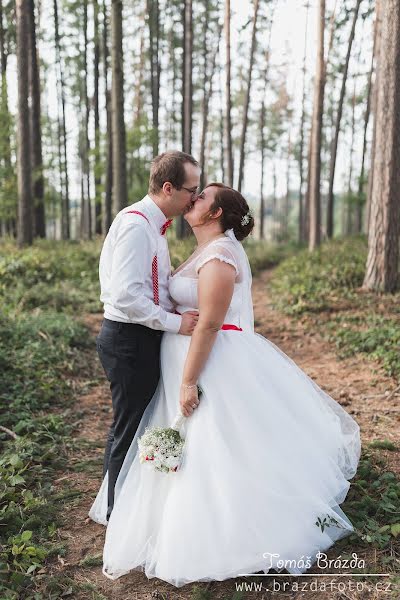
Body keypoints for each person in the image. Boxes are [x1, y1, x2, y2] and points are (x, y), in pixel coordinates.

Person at [89, 183, 361, 587]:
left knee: (218, 444)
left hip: (212, 365)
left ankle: (227, 532)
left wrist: (188, 380)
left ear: (215, 214)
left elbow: (212, 324)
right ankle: (166, 519)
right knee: (188, 444)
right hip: (186, 360)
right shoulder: (202, 250)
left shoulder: (220, 255)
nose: (192, 200)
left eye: (201, 198)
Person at [96, 151, 201, 521]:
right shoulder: (137, 225)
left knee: (137, 422)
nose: (196, 197)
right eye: (192, 189)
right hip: (128, 339)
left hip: (140, 336)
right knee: (129, 426)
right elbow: (126, 296)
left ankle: (126, 507)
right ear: (168, 187)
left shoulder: (153, 225)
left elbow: (151, 287)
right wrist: (175, 323)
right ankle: (117, 514)